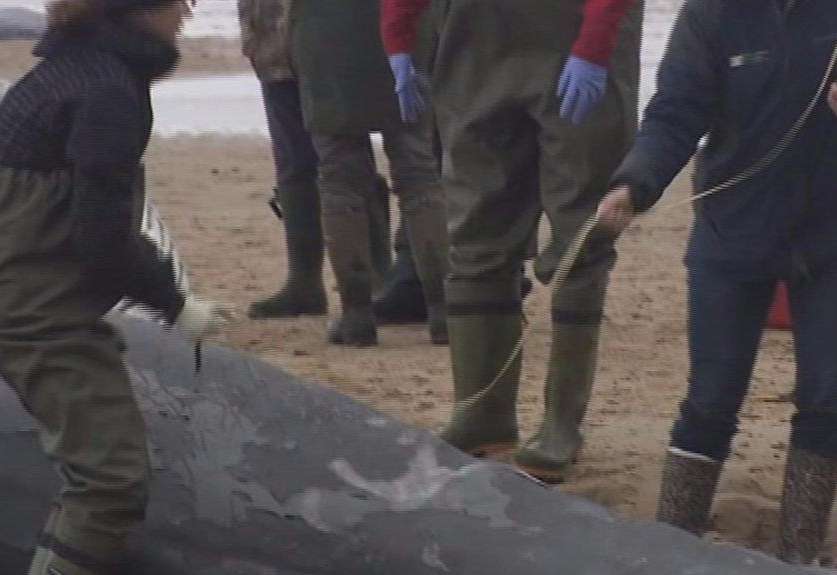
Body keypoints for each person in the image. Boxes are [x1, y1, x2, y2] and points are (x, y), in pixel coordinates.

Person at [597, 0, 837, 563]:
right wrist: (634, 186)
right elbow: (674, 115)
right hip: (733, 233)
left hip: (836, 236)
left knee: (825, 400)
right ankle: (672, 549)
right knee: (711, 399)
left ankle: (798, 552)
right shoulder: (711, 16)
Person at [0, 0, 235, 572]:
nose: (187, 11)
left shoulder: (58, 74)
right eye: (174, 1)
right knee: (110, 481)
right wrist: (176, 303)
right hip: (26, 308)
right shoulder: (108, 92)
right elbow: (101, 241)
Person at [382, 0, 643, 483]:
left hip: (578, 28)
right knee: (475, 224)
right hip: (471, 39)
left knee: (581, 229)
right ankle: (482, 410)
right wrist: (398, 36)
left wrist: (596, 41)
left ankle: (562, 421)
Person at [290, 0, 450, 346]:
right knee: (418, 170)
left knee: (339, 178)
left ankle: (356, 312)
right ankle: (443, 309)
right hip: (405, 28)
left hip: (326, 32)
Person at [238, 0, 393, 319]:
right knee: (296, 155)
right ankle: (305, 280)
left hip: (328, 30)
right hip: (276, 32)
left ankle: (372, 275)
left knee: (342, 148)